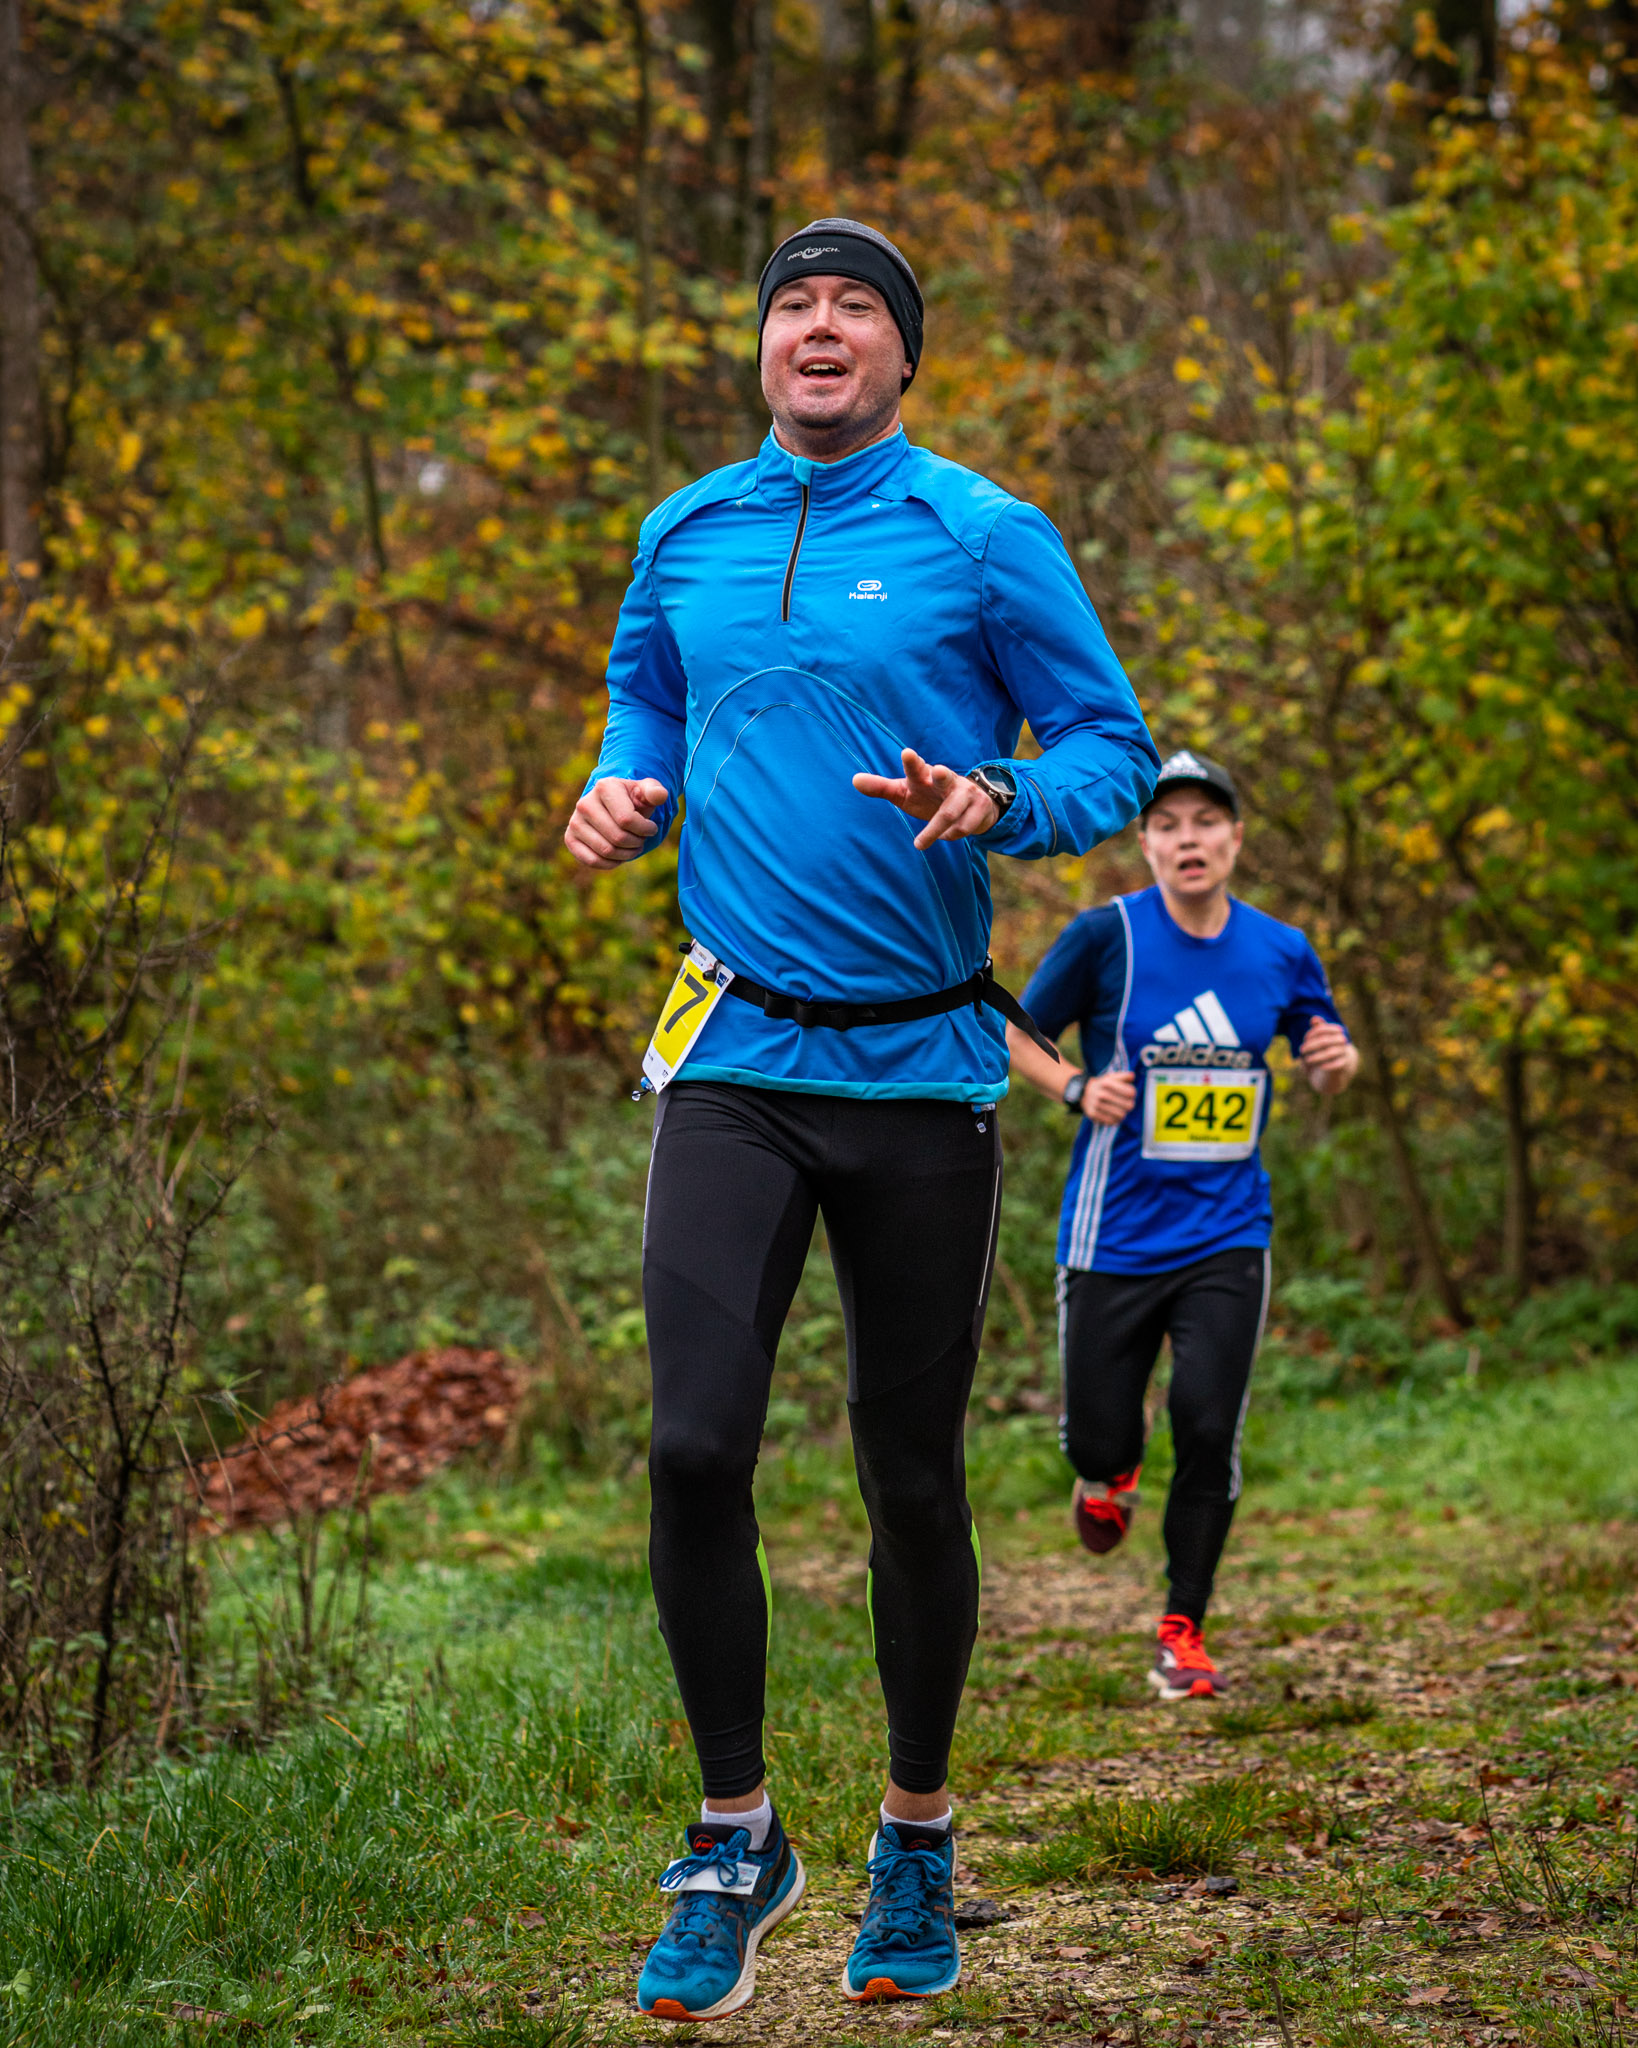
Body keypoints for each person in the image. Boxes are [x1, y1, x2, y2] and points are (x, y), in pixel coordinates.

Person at [565, 216, 1158, 2020]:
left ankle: (913, 1834)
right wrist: (619, 785)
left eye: (854, 309)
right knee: (691, 1447)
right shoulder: (683, 529)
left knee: (907, 1470)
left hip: (919, 1072)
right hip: (734, 1059)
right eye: (792, 306)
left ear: (902, 354)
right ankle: (733, 1836)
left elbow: (1111, 751)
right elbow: (644, 698)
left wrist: (1000, 798)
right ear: (760, 346)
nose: (817, 329)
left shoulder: (982, 533)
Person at [1007, 750, 1359, 1701]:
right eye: (1167, 825)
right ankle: (1106, 1474)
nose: (1188, 839)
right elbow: (1012, 1034)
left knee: (1207, 1424)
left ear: (1236, 839)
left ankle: (1184, 1628)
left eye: (1206, 822)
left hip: (1228, 1232)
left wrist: (1335, 1064)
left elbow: (1326, 1053)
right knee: (1098, 1437)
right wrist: (1077, 1088)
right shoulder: (1105, 936)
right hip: (1112, 1235)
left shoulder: (1282, 949)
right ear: (1147, 844)